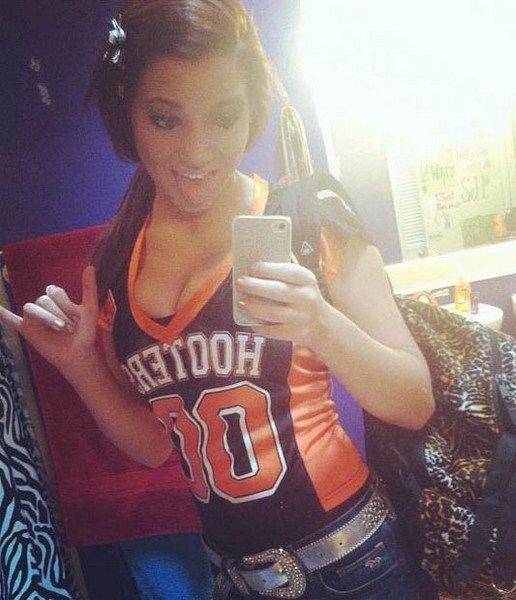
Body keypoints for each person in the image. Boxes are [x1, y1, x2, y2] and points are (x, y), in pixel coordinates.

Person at [0, 1, 438, 598]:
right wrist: (80, 366)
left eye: (224, 117)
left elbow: (413, 401)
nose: (197, 152)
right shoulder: (115, 264)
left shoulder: (311, 218)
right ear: (127, 111)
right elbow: (153, 445)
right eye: (165, 120)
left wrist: (320, 323)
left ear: (251, 110)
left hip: (355, 565)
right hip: (233, 577)